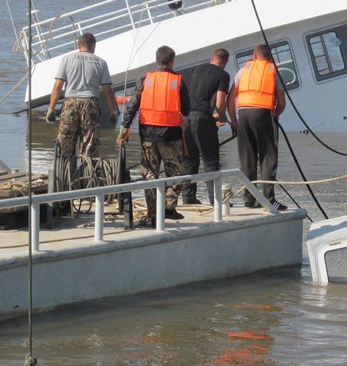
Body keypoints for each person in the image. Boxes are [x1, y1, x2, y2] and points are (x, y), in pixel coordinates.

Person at [118, 45, 191, 225]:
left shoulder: (145, 80)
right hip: (171, 136)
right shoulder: (179, 81)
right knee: (176, 172)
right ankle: (168, 208)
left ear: (157, 61)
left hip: (148, 136)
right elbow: (187, 109)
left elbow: (132, 105)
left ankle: (153, 214)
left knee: (149, 174)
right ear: (172, 61)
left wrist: (124, 128)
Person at [228, 44, 288, 210]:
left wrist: (234, 120)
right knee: (268, 156)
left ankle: (249, 200)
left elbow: (231, 98)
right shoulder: (273, 71)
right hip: (263, 113)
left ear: (255, 55)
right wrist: (274, 116)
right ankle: (269, 200)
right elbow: (282, 102)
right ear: (270, 57)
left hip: (243, 115)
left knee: (247, 157)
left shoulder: (243, 71)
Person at [46, 33, 120, 159]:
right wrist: (113, 111)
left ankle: (66, 172)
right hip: (90, 104)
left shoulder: (67, 59)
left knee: (66, 142)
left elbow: (58, 86)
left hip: (70, 103)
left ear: (78, 45)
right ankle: (86, 173)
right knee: (89, 144)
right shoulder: (101, 63)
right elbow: (107, 89)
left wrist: (51, 109)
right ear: (94, 45)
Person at [181, 48, 231, 206]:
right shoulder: (223, 75)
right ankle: (215, 201)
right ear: (225, 62)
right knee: (210, 161)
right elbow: (219, 102)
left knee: (190, 160)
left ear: (212, 58)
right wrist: (222, 118)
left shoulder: (198, 70)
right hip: (202, 119)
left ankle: (188, 199)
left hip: (187, 118)